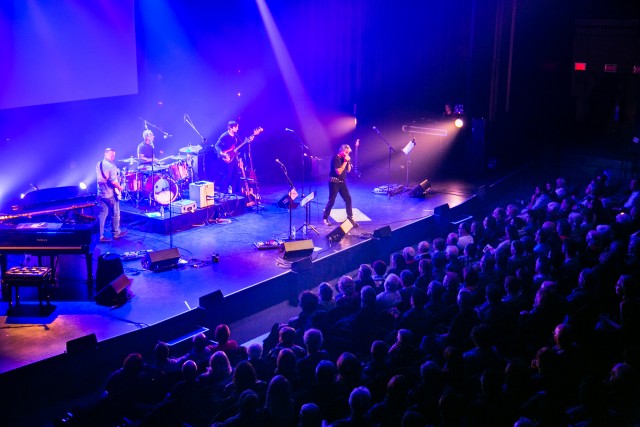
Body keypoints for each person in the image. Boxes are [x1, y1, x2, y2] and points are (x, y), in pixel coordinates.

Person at [322, 144, 358, 227]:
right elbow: (338, 171)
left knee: (348, 199)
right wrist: (345, 161)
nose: (347, 154)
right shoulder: (336, 158)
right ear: (342, 151)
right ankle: (325, 218)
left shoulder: (344, 158)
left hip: (342, 182)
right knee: (332, 200)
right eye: (346, 152)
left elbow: (348, 170)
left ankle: (350, 218)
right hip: (334, 182)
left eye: (348, 153)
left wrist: (348, 162)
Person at [96, 147, 127, 242]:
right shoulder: (111, 166)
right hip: (110, 194)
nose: (113, 157)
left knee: (102, 215)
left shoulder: (99, 163)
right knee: (116, 213)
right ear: (105, 154)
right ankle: (116, 233)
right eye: (111, 155)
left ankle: (100, 236)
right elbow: (113, 181)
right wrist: (120, 188)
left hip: (101, 193)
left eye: (114, 155)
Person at [215, 120, 242, 193]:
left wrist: (248, 141)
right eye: (236, 127)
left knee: (236, 175)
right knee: (227, 176)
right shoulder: (225, 135)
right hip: (226, 157)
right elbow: (217, 145)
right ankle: (221, 191)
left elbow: (240, 145)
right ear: (231, 128)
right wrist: (222, 154)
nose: (237, 129)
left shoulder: (236, 136)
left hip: (234, 158)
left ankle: (236, 193)